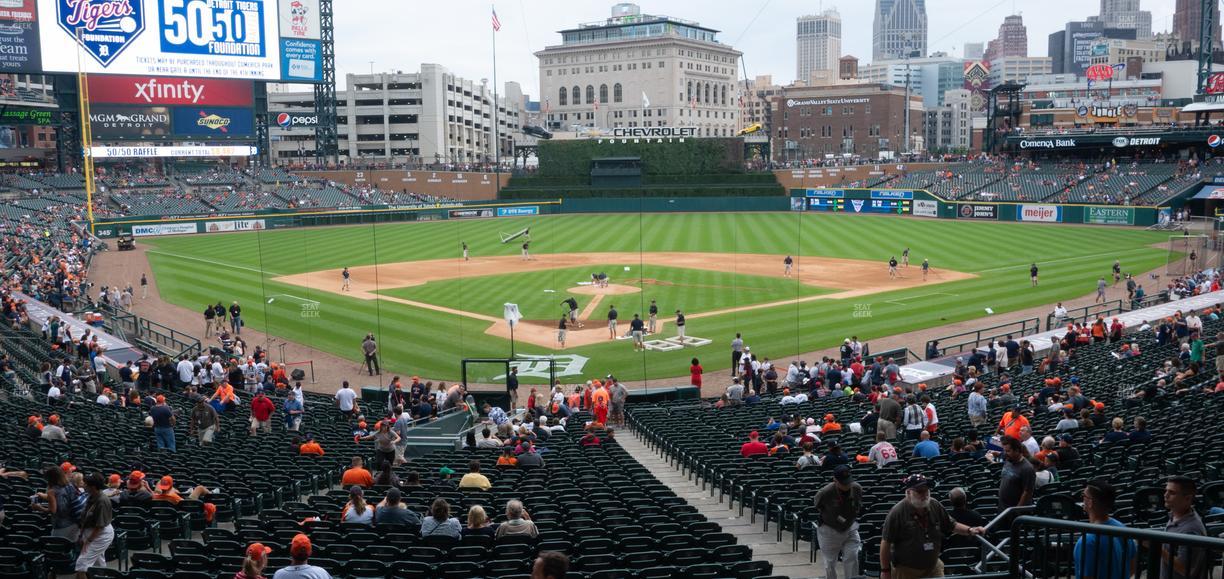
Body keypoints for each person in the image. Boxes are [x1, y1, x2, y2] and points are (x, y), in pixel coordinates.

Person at [880, 475, 986, 579]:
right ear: (908, 492)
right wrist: (885, 571)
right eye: (920, 491)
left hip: (933, 566)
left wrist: (970, 530)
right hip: (907, 571)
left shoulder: (934, 505)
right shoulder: (897, 512)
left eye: (927, 490)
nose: (925, 494)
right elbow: (885, 543)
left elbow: (951, 524)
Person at [1073, 479, 1137, 579]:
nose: (1082, 499)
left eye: (1083, 496)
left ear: (1090, 502)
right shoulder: (1122, 528)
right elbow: (1132, 567)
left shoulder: (1087, 542)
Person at [814, 465, 863, 579]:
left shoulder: (857, 488)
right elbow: (817, 505)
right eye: (843, 482)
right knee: (830, 562)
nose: (846, 485)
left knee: (852, 557)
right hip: (829, 529)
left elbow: (858, 505)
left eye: (848, 482)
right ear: (835, 480)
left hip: (850, 527)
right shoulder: (825, 492)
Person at [1161, 476, 1208, 579]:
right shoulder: (1175, 515)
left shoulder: (1191, 529)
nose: (1166, 495)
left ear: (1188, 498)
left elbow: (1186, 570)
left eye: (1172, 493)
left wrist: (1157, 548)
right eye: (1166, 491)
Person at [75, 473, 114, 579]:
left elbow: (99, 526)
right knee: (98, 564)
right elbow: (85, 518)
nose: (83, 485)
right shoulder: (91, 496)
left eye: (86, 484)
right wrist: (81, 535)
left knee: (81, 565)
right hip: (91, 532)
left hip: (101, 535)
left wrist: (88, 541)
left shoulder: (102, 501)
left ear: (93, 486)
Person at [34, 465, 80, 541]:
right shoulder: (70, 485)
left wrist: (39, 508)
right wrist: (43, 495)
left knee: (55, 549)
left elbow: (53, 511)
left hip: (62, 525)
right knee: (71, 548)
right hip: (75, 522)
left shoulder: (52, 491)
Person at [998, 435, 1036, 510]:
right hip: (1002, 507)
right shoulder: (1008, 460)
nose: (1005, 453)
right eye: (1004, 450)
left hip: (1012, 510)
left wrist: (1017, 510)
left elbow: (1027, 492)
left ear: (1017, 450)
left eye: (1008, 451)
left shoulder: (1027, 468)